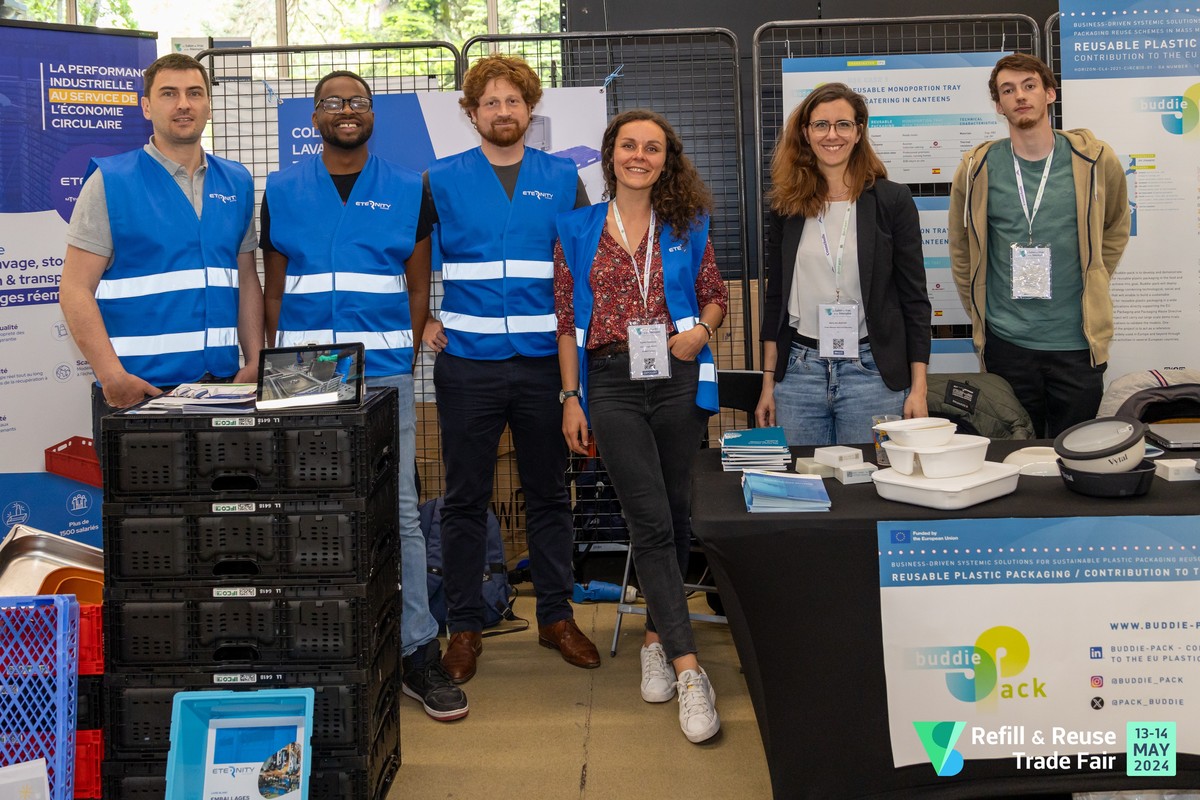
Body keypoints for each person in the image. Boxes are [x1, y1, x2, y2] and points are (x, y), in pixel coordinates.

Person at [260, 70, 467, 721]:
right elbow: (273, 289)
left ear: (372, 114)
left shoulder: (410, 190)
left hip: (383, 369)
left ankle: (416, 653)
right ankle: (312, 648)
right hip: (301, 372)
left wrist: (402, 357)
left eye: (357, 102)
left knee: (400, 511)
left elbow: (415, 289)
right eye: (333, 102)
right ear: (315, 115)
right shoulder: (282, 188)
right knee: (303, 508)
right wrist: (275, 363)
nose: (346, 111)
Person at [422, 54, 600, 681]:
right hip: (467, 364)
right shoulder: (439, 179)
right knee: (465, 500)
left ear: (531, 110)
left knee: (551, 494)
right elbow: (414, 257)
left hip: (544, 368)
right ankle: (464, 627)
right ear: (472, 114)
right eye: (490, 102)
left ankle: (556, 617)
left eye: (514, 102)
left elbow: (583, 269)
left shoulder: (562, 177)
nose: (503, 112)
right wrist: (423, 319)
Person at [555, 109, 727, 743]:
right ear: (610, 153)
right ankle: (690, 671)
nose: (640, 156)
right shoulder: (575, 227)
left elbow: (715, 292)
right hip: (612, 380)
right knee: (648, 517)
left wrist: (702, 332)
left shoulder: (688, 222)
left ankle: (657, 637)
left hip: (677, 375)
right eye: (629, 145)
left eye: (652, 148)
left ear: (666, 159)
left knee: (677, 512)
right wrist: (571, 396)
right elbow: (568, 319)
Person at [60, 53, 263, 446]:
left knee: (223, 508)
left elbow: (246, 279)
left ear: (208, 104)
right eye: (169, 93)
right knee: (142, 509)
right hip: (140, 393)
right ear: (147, 106)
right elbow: (74, 289)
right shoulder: (110, 182)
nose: (183, 104)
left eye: (194, 93)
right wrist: (111, 376)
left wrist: (255, 359)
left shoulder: (236, 181)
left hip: (221, 391)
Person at [949, 53, 1130, 438]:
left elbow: (1115, 226)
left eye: (1029, 86)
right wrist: (981, 308)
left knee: (1075, 453)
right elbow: (961, 246)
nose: (1020, 96)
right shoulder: (977, 167)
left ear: (1050, 93)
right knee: (1013, 456)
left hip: (1077, 342)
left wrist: (1095, 275)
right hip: (1008, 343)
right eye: (1008, 90)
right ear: (998, 105)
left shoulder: (1094, 159)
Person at [756, 83, 930, 445]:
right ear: (805, 133)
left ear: (858, 132)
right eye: (821, 125)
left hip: (871, 373)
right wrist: (768, 384)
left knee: (868, 490)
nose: (831, 135)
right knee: (803, 485)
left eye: (843, 125)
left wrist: (919, 389)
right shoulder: (786, 205)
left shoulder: (891, 200)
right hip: (799, 373)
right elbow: (776, 302)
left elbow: (914, 301)